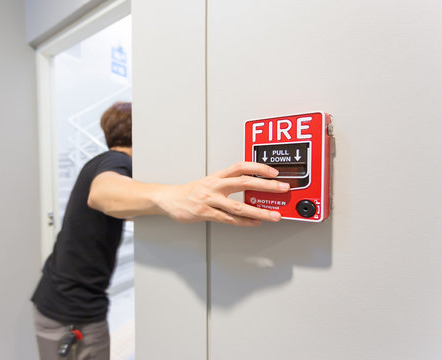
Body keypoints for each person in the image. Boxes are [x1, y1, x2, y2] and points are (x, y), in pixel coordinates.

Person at [31, 102, 290, 360]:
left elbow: (117, 208)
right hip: (71, 310)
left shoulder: (98, 160)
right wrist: (177, 195)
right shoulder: (116, 160)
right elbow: (101, 193)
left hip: (58, 298)